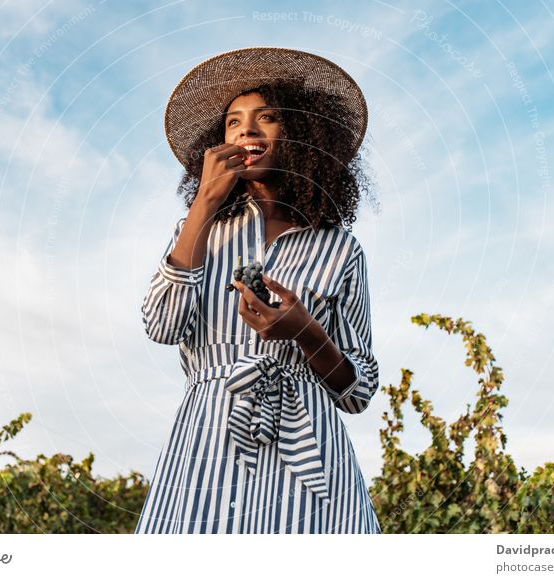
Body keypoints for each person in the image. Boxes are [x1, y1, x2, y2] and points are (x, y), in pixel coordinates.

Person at [135, 47, 380, 533]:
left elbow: (358, 391)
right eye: (233, 122)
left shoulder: (339, 249)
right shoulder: (201, 229)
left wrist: (306, 332)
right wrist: (204, 204)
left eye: (266, 117)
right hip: (208, 442)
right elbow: (161, 326)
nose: (246, 130)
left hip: (309, 452)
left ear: (302, 136)